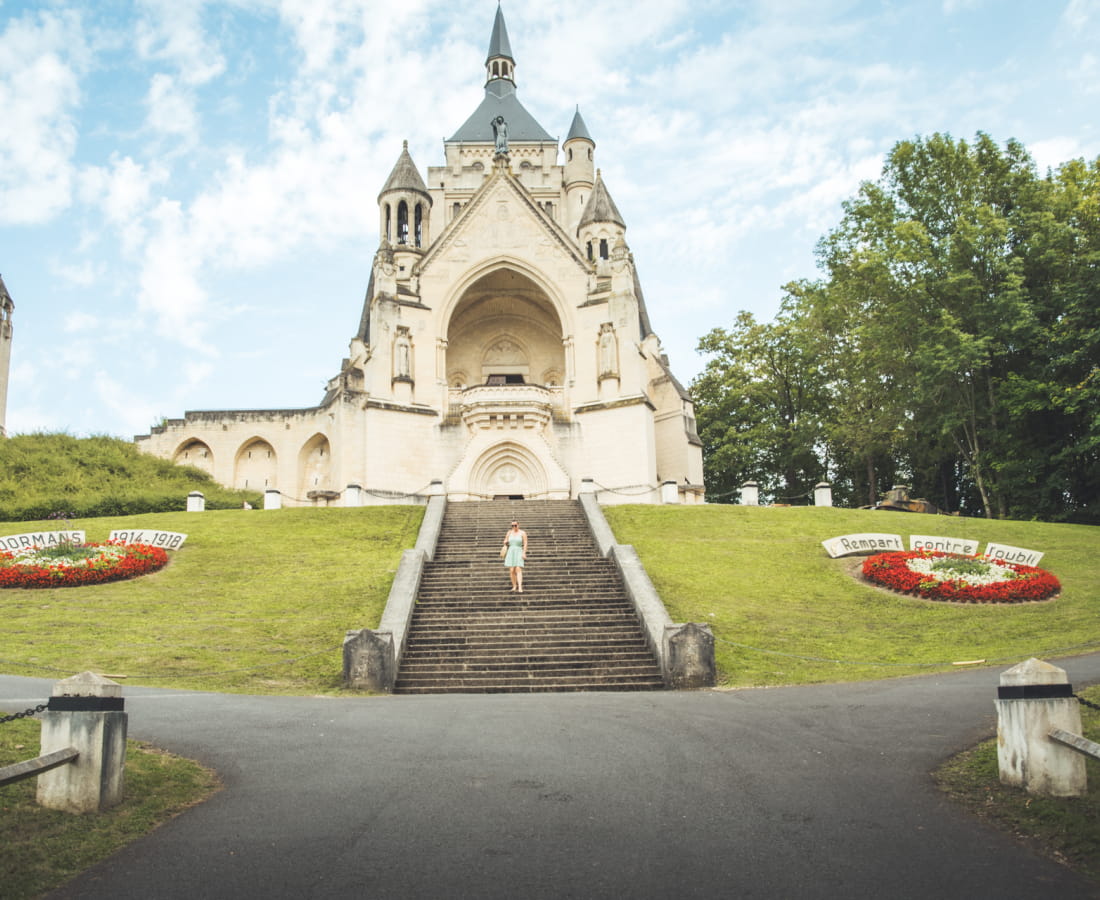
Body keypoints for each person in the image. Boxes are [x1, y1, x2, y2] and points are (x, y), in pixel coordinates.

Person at [501, 519, 528, 593]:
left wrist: (524, 553)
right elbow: (505, 541)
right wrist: (505, 542)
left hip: (519, 550)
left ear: (518, 525)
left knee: (518, 569)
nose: (514, 527)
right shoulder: (509, 532)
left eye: (515, 525)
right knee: (512, 570)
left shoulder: (522, 533)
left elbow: (525, 543)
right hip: (511, 551)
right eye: (512, 525)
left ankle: (520, 587)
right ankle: (514, 586)